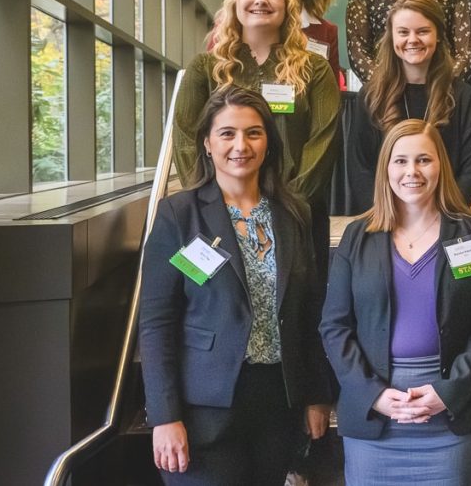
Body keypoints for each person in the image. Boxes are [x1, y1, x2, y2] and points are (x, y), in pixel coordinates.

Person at [140, 86, 332, 485]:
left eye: (253, 133)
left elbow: (311, 313)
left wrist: (317, 394)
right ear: (207, 144)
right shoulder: (179, 214)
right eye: (227, 133)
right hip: (202, 411)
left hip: (277, 405)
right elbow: (157, 323)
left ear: (268, 142)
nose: (240, 145)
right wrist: (164, 416)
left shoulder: (295, 213)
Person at [320, 119, 471, 486]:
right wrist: (374, 395)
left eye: (424, 160)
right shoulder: (357, 237)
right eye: (400, 161)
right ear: (385, 168)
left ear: (441, 166)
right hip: (375, 422)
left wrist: (447, 393)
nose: (412, 172)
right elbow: (334, 326)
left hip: (452, 419)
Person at [173, 0, 340, 278]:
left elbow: (324, 141)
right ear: (235, 1)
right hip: (218, 215)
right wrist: (214, 203)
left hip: (296, 212)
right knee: (215, 295)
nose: (261, 0)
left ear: (287, 5)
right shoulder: (205, 69)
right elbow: (185, 141)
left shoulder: (315, 70)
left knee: (295, 299)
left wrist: (286, 206)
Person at [344, 0, 471, 212]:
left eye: (422, 31)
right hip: (386, 218)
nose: (412, 40)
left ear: (438, 35)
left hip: (446, 217)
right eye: (403, 32)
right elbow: (359, 168)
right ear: (391, 37)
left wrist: (440, 217)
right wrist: (387, 216)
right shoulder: (370, 95)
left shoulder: (463, 96)